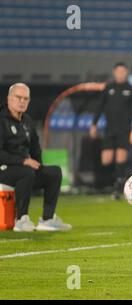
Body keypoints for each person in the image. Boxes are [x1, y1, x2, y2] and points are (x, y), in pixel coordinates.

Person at [0, 83, 71, 232]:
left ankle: (47, 219)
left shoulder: (27, 121)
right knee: (26, 171)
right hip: (4, 169)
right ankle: (21, 219)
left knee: (54, 172)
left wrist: (40, 166)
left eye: (26, 98)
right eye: (18, 97)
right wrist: (23, 161)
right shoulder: (1, 120)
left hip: (24, 170)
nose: (22, 101)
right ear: (8, 99)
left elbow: (35, 149)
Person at [89, 62, 132, 199]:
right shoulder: (108, 87)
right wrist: (94, 124)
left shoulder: (131, 89)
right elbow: (99, 106)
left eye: (123, 71)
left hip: (124, 130)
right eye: (118, 71)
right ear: (114, 72)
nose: (120, 74)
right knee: (106, 160)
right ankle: (108, 184)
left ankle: (118, 188)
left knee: (120, 158)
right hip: (109, 129)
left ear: (126, 72)